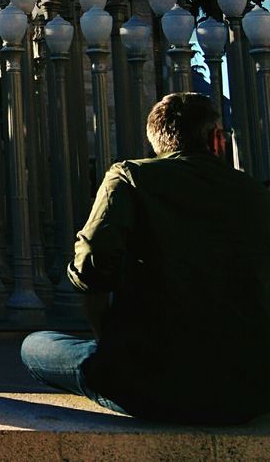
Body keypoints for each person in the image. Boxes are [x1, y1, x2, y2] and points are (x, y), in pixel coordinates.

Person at [22, 93, 270, 424]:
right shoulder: (255, 193)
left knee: (35, 345)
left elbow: (91, 266)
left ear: (156, 142)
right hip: (250, 391)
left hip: (152, 385)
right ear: (216, 139)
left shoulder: (130, 177)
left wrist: (107, 339)